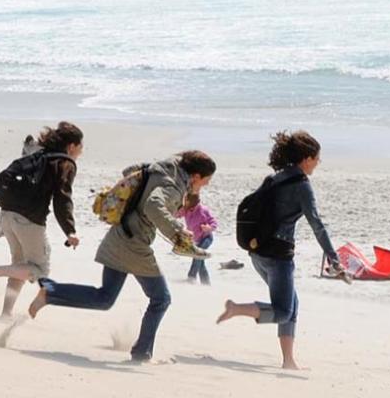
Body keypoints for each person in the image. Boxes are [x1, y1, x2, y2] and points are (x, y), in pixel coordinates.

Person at [28, 150, 216, 364]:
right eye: (206, 181)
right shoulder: (173, 186)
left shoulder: (161, 168)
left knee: (104, 298)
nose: (205, 185)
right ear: (195, 176)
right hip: (134, 244)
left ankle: (50, 292)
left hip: (118, 235)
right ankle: (142, 354)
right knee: (161, 299)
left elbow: (129, 172)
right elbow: (153, 206)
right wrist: (177, 232)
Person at [218, 130, 349, 370]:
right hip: (278, 256)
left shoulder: (275, 178)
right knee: (283, 312)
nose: (318, 163)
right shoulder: (301, 185)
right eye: (317, 158)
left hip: (257, 251)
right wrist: (334, 259)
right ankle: (236, 308)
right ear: (306, 158)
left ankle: (289, 361)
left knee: (291, 305)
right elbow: (316, 225)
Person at [0, 121, 81, 317]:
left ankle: (6, 313)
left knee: (19, 265)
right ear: (71, 146)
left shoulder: (38, 155)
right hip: (28, 221)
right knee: (40, 269)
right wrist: (70, 230)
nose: (81, 152)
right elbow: (62, 199)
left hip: (6, 215)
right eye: (81, 147)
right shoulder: (65, 163)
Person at [178, 192, 218, 284]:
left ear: (192, 201)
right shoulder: (186, 210)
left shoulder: (203, 210)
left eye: (186, 200)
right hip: (195, 239)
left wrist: (209, 228)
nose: (185, 202)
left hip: (206, 238)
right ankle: (206, 283)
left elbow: (214, 222)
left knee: (198, 256)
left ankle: (191, 276)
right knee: (201, 261)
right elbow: (176, 214)